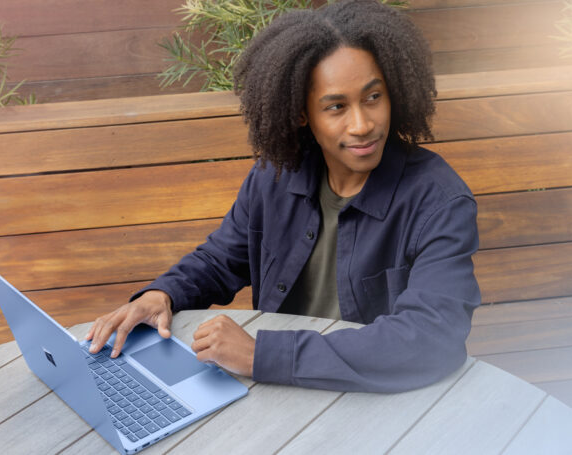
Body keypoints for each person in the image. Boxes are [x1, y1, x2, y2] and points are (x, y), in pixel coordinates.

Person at [86, 0, 480, 393]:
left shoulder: (438, 201)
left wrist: (260, 355)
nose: (362, 124)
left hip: (382, 397)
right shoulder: (273, 177)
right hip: (280, 388)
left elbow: (430, 337)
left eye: (373, 97)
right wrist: (162, 294)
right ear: (302, 114)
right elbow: (219, 260)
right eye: (336, 106)